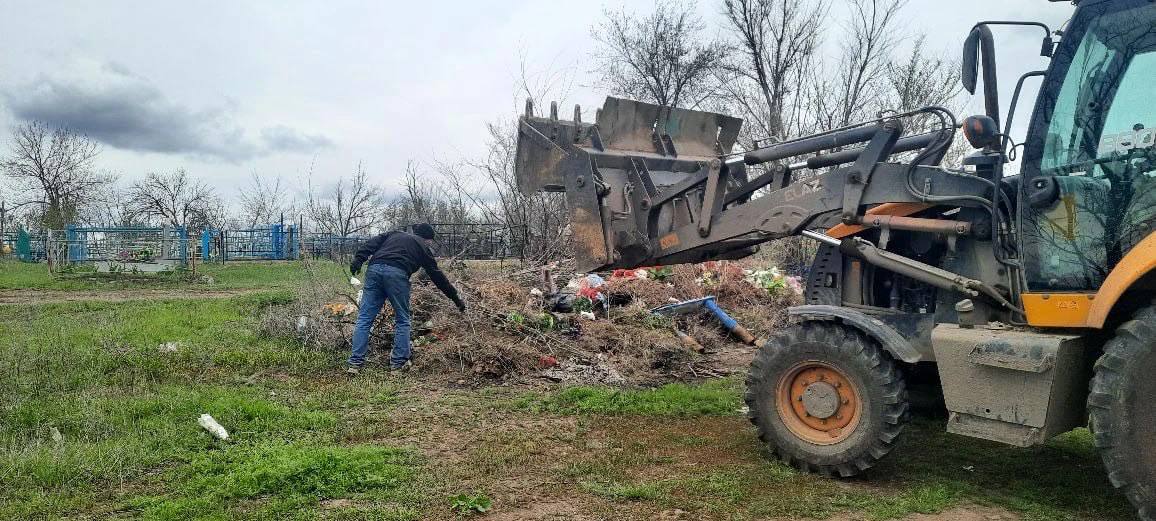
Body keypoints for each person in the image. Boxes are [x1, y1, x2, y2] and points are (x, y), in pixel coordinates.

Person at [347, 223, 465, 374]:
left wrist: (359, 259)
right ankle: (398, 364)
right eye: (430, 241)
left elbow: (372, 243)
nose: (429, 243)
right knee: (402, 319)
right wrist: (455, 298)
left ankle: (355, 364)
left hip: (374, 270)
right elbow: (437, 276)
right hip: (397, 274)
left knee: (364, 318)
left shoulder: (394, 233)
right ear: (427, 239)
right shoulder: (423, 247)